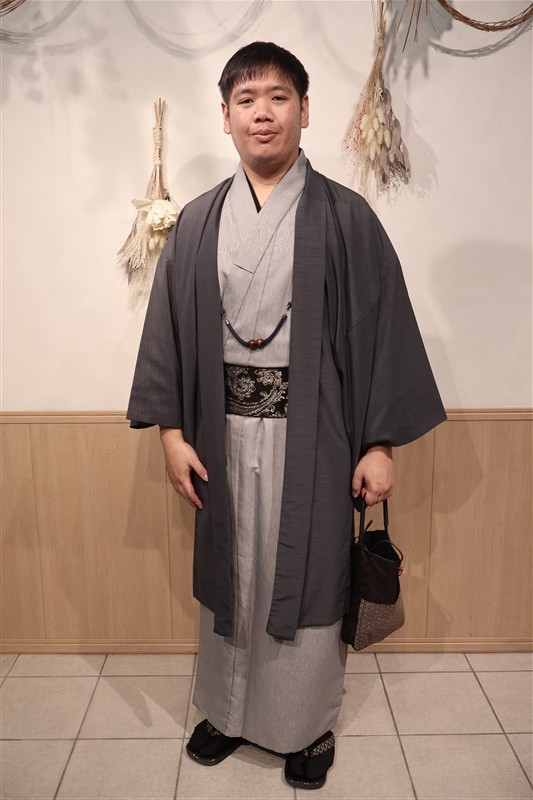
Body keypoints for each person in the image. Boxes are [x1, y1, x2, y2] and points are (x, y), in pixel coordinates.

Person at [127, 41, 446, 790]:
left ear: (305, 110)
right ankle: (225, 712)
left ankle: (306, 726)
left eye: (278, 97)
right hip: (220, 432)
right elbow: (166, 332)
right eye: (246, 100)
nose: (262, 113)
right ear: (225, 117)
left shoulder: (346, 217)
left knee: (307, 575)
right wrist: (171, 434)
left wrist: (378, 444)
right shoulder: (198, 221)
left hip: (316, 435)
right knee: (231, 573)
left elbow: (382, 330)